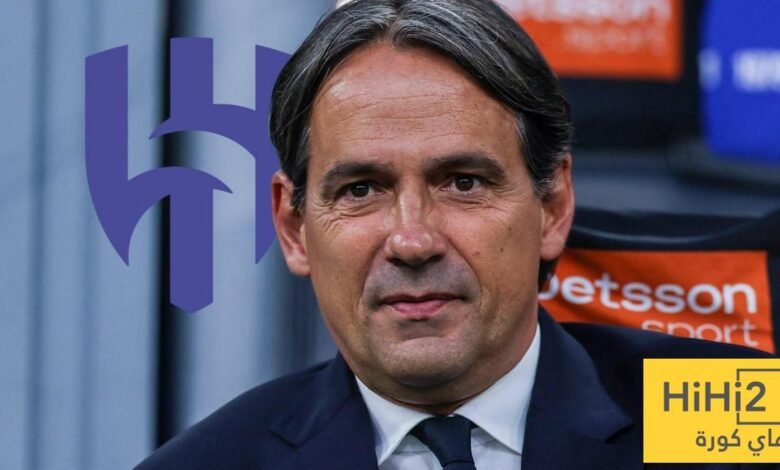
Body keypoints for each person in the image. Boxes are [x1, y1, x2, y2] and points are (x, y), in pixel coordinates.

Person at [137, 0, 772, 468]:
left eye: (463, 182)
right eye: (361, 190)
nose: (413, 241)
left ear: (552, 207)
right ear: (293, 227)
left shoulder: (737, 420)